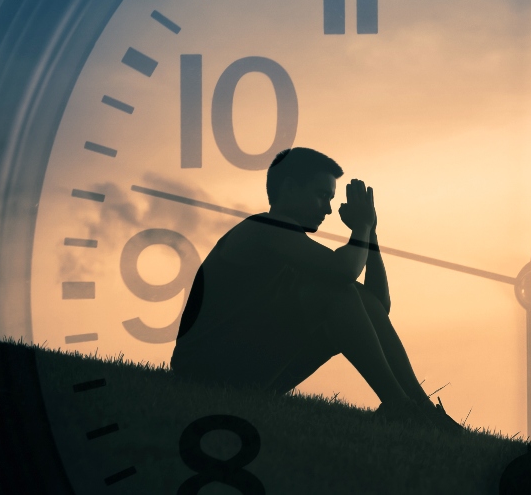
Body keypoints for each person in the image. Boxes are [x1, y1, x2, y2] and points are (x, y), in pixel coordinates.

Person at [171, 147, 459, 430]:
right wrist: (361, 228)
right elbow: (343, 271)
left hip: (240, 366)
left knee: (348, 297)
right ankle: (400, 406)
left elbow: (376, 306)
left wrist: (370, 233)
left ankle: (421, 409)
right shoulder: (267, 227)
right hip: (205, 369)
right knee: (336, 292)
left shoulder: (293, 246)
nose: (329, 208)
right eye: (322, 196)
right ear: (290, 188)